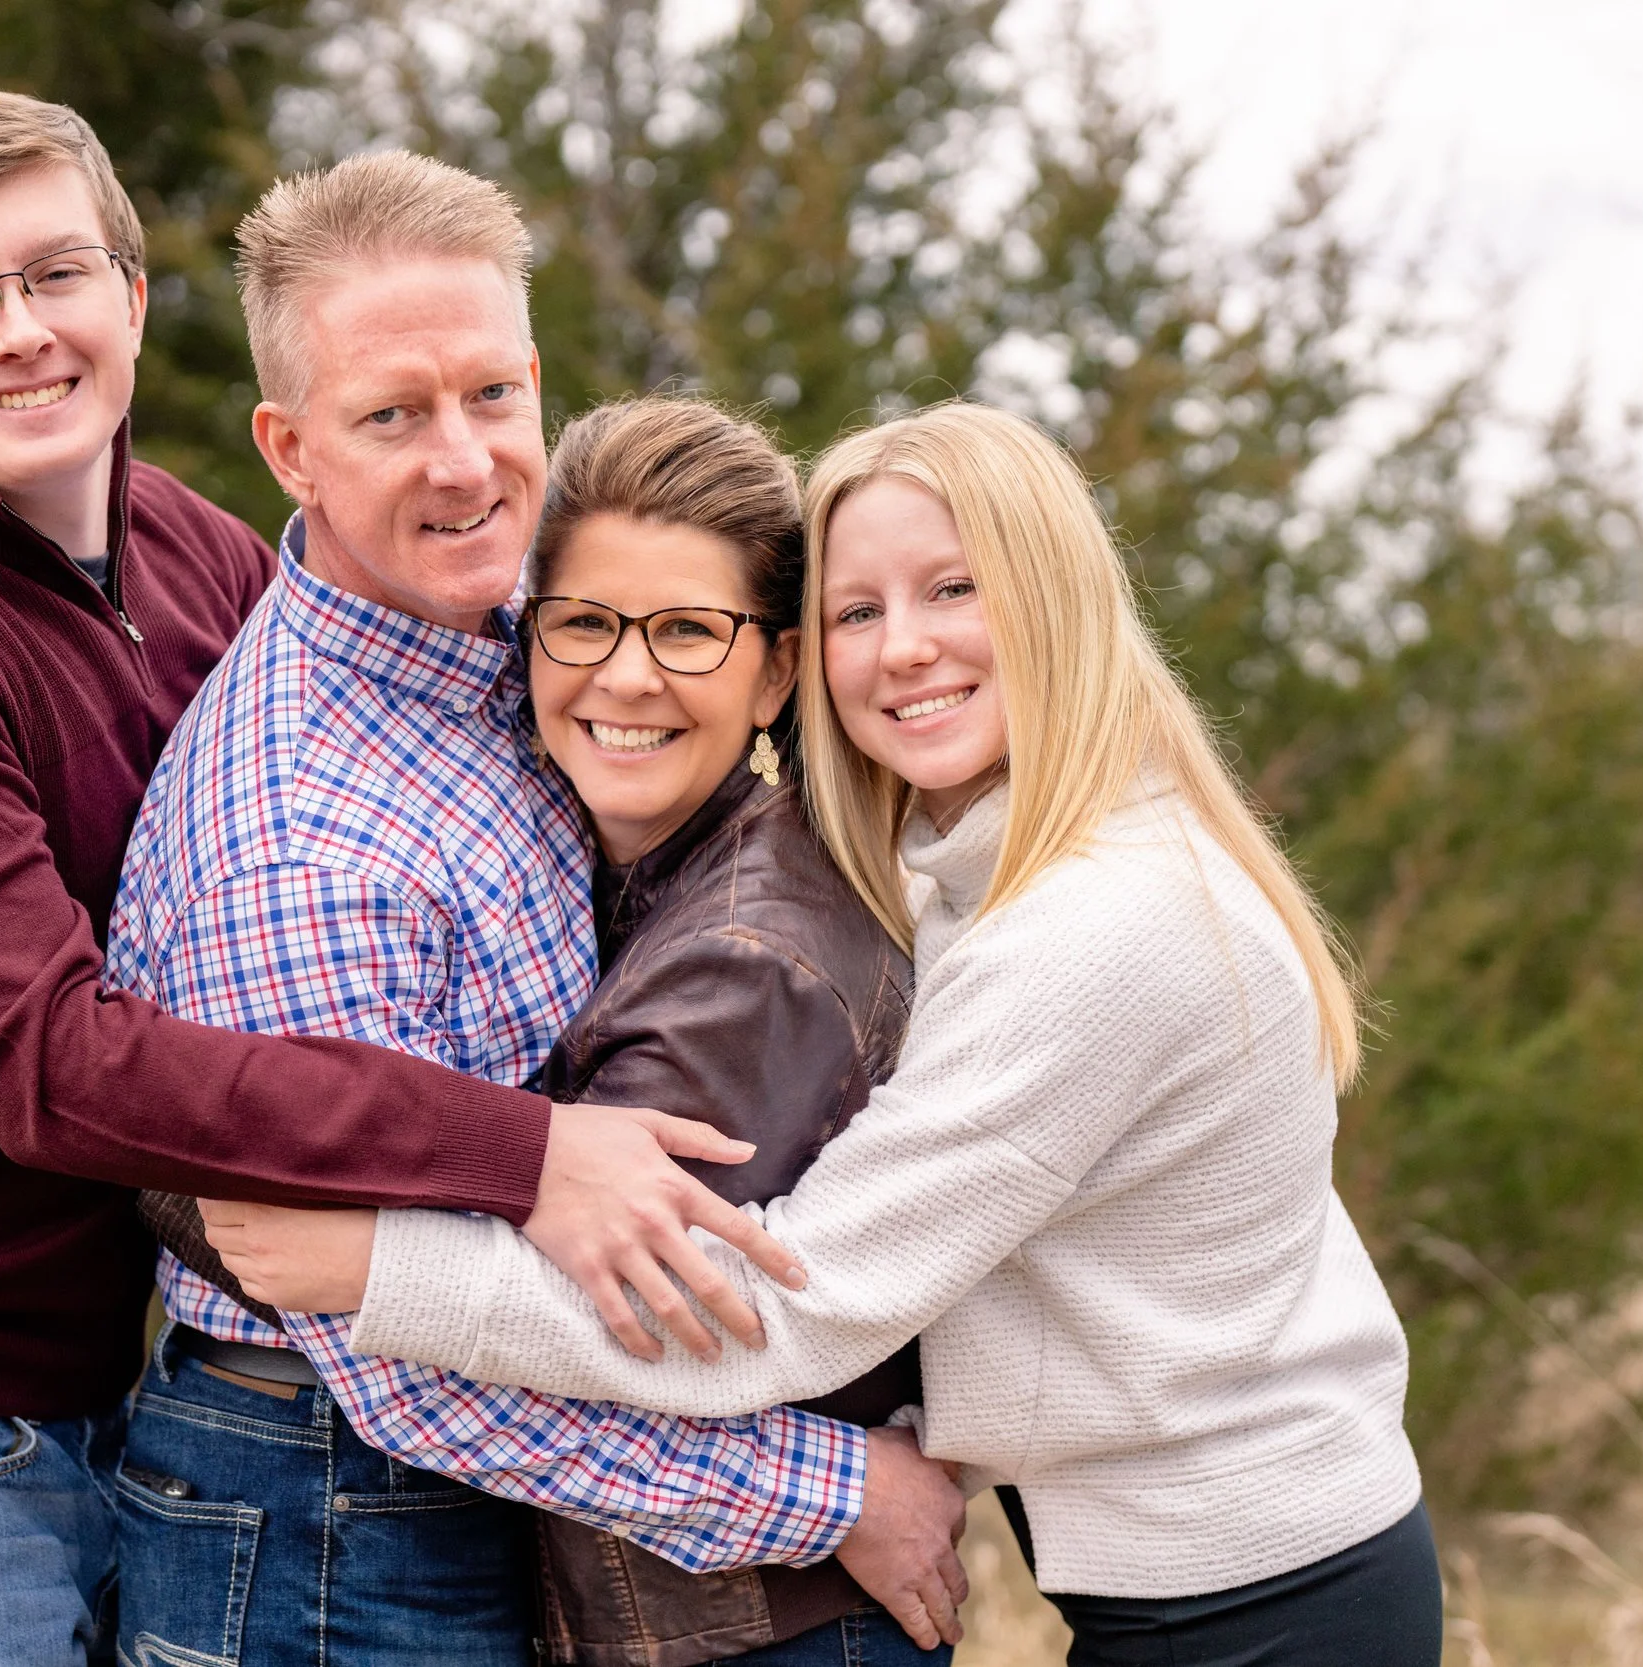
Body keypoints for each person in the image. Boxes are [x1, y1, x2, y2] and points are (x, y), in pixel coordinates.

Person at [0, 90, 795, 1667]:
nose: (20, 331)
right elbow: (56, 1066)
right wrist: (525, 1149)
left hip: (124, 1376)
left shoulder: (189, 551)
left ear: (131, 300)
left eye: (56, 273)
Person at [216, 402, 1448, 1665]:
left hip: (1262, 1598)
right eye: (861, 609)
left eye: (953, 589)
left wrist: (374, 1269)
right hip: (1214, 1571)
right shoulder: (972, 862)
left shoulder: (1093, 928)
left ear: (1057, 602)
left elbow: (787, 1301)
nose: (903, 648)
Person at [101, 164, 965, 1667]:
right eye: (393, 414)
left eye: (495, 394)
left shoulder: (522, 620)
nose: (464, 460)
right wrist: (830, 1494)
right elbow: (403, 1358)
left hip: (475, 1486)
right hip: (328, 1505)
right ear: (289, 448)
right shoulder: (307, 838)